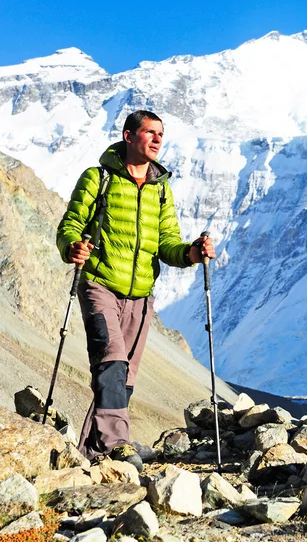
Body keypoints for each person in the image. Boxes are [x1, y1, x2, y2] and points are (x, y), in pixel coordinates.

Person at [56, 109, 215, 467]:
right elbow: (70, 225)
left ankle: (92, 454)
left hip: (141, 295)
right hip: (100, 283)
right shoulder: (99, 179)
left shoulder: (161, 191)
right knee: (110, 359)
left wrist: (191, 252)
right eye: (150, 132)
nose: (158, 139)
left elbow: (167, 244)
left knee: (122, 378)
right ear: (129, 136)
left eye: (161, 134)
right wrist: (72, 247)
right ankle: (117, 444)